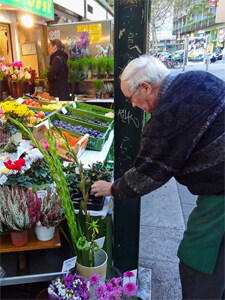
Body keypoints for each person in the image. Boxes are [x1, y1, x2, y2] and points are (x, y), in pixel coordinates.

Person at [91, 55, 225, 299]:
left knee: (198, 262)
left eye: (131, 98)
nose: (132, 105)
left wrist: (113, 188)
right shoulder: (196, 79)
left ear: (145, 87)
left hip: (220, 197)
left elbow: (149, 172)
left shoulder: (168, 114)